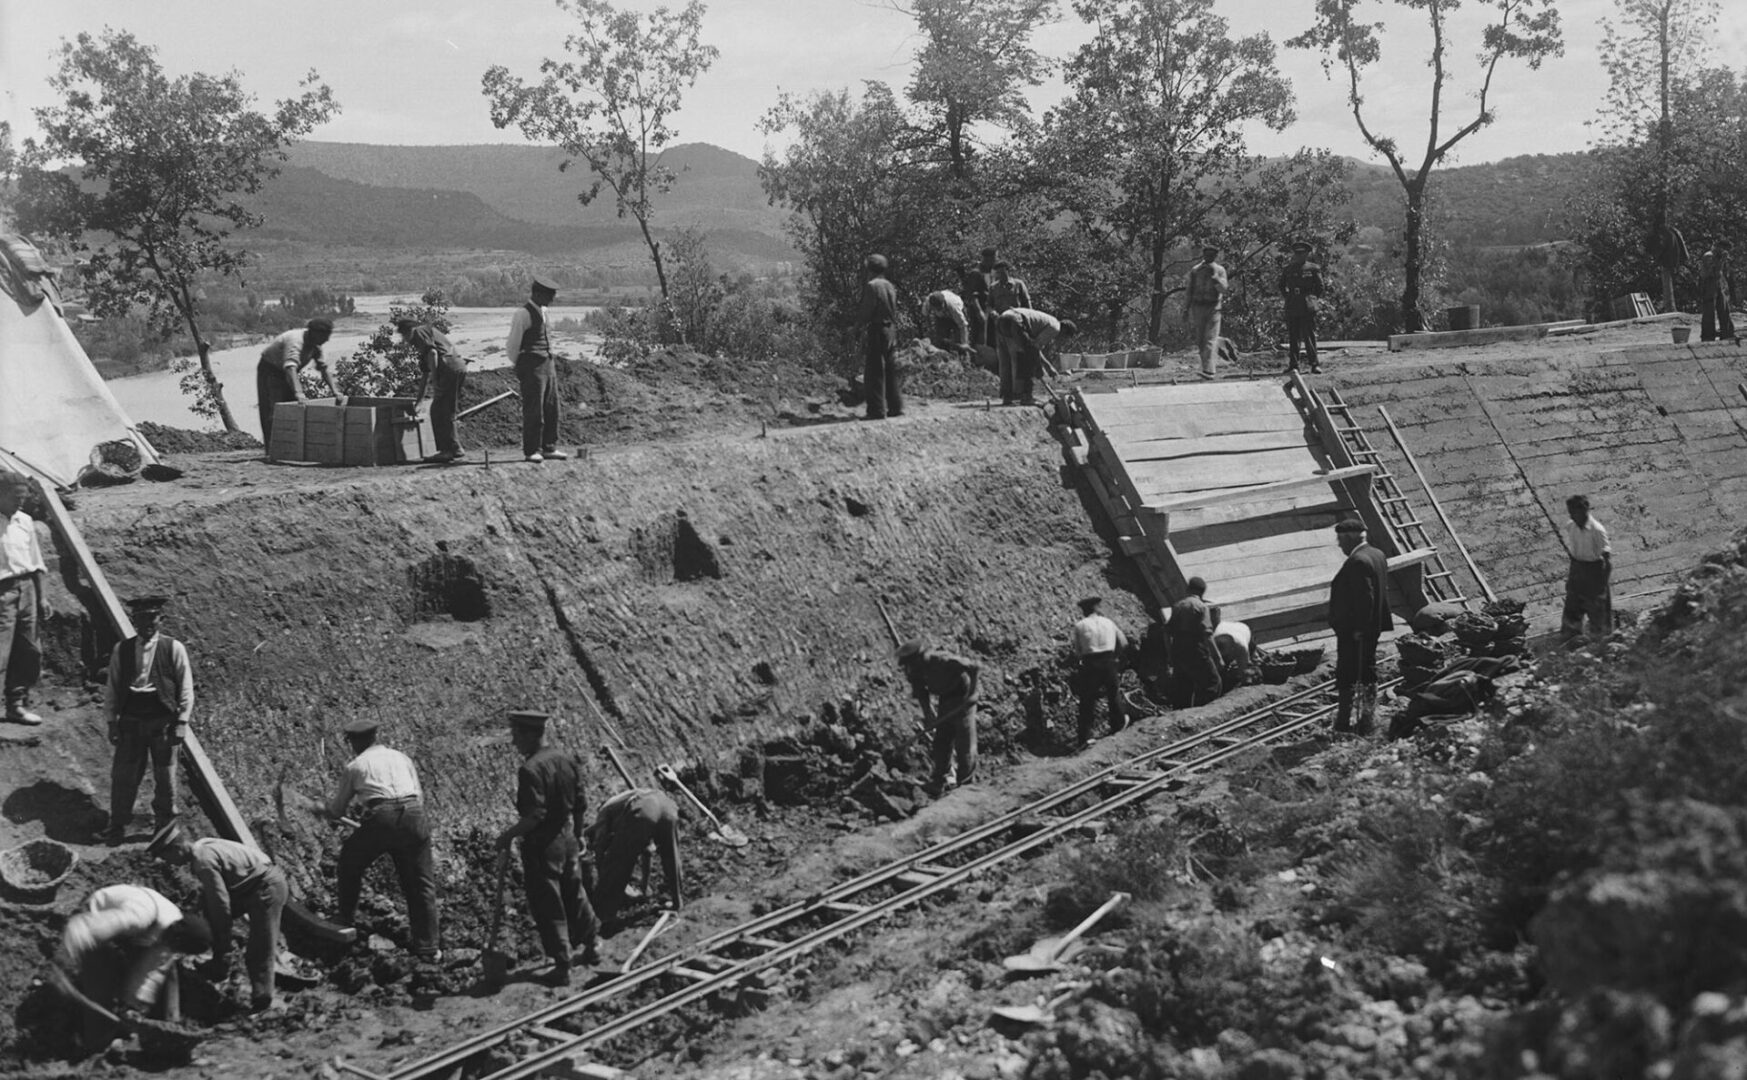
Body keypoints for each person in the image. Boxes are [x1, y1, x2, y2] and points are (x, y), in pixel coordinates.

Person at [495, 710, 600, 986]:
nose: (514, 742)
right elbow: (580, 803)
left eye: (517, 735)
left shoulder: (530, 770)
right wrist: (578, 835)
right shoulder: (565, 758)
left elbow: (535, 816)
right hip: (567, 839)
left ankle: (563, 965)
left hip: (544, 845)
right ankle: (593, 944)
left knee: (549, 903)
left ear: (531, 734)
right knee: (576, 894)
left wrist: (507, 836)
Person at [324, 718, 440, 960]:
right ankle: (428, 947)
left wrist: (328, 812)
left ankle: (345, 916)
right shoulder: (401, 758)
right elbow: (417, 795)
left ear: (353, 742)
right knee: (421, 885)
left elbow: (337, 811)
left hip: (383, 817)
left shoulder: (356, 766)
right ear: (375, 737)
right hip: (415, 815)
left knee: (349, 862)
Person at [147, 820, 288, 1013]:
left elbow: (220, 903)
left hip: (266, 888)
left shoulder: (203, 860)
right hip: (248, 886)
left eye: (167, 857)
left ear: (177, 849)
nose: (168, 863)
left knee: (260, 947)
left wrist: (224, 934)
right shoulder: (203, 846)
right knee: (207, 907)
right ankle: (219, 965)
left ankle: (262, 999)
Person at [53, 884, 211, 1053]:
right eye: (176, 947)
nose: (174, 950)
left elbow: (152, 972)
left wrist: (133, 1007)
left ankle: (166, 1021)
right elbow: (81, 929)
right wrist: (64, 965)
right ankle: (97, 1045)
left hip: (137, 934)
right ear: (175, 936)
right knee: (103, 984)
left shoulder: (172, 935)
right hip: (97, 918)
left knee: (169, 969)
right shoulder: (138, 916)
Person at [103, 596, 195, 845]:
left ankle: (165, 827)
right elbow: (112, 686)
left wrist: (182, 721)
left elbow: (185, 687)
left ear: (160, 620)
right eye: (141, 618)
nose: (146, 623)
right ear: (134, 620)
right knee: (124, 776)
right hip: (131, 721)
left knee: (165, 777)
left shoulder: (172, 648)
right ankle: (118, 824)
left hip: (162, 721)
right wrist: (112, 721)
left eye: (151, 618)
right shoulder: (122, 649)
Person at [1328, 517, 1392, 735]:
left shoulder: (1358, 561)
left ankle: (1346, 722)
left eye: (1340, 539)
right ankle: (1367, 718)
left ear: (1349, 538)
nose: (1339, 545)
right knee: (1367, 669)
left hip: (1356, 631)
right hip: (1370, 628)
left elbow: (1367, 598)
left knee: (1348, 673)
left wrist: (1359, 630)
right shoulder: (1377, 554)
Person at [586, 786, 683, 929]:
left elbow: (601, 853)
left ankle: (603, 916)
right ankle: (677, 902)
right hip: (667, 805)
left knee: (617, 862)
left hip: (644, 807)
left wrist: (604, 883)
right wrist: (644, 888)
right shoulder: (622, 804)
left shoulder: (603, 813)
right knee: (671, 855)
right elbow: (647, 852)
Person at [895, 638, 981, 796]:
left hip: (963, 697)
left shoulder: (942, 660)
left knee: (964, 741)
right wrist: (928, 714)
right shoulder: (915, 671)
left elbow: (974, 667)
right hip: (945, 699)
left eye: (911, 664)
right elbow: (921, 693)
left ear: (920, 659)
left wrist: (972, 694)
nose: (909, 668)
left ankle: (966, 784)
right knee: (941, 741)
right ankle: (940, 781)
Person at [505, 275, 571, 463]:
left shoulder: (544, 311)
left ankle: (549, 447)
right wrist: (523, 365)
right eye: (550, 295)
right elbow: (512, 346)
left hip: (547, 364)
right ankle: (532, 449)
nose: (552, 299)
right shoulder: (522, 314)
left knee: (552, 407)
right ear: (538, 294)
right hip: (531, 366)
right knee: (534, 409)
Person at [1, 472, 49, 726]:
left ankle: (16, 705)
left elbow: (36, 562)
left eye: (24, 497)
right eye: (15, 497)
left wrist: (42, 598)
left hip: (27, 589)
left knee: (29, 651)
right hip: (1, 592)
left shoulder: (25, 521)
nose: (21, 502)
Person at [394, 317, 469, 464]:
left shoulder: (419, 333)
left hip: (449, 368)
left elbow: (433, 354)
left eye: (403, 336)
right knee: (443, 408)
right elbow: (425, 374)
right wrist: (419, 401)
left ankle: (451, 450)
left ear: (408, 331)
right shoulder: (424, 337)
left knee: (441, 409)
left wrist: (435, 381)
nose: (404, 340)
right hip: (456, 367)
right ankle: (451, 448)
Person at [257, 319, 340, 448]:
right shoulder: (295, 340)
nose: (327, 340)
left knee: (293, 409)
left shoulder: (315, 345)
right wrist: (299, 393)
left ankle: (291, 448)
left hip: (288, 372)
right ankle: (272, 450)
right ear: (315, 333)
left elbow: (323, 368)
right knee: (273, 411)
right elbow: (290, 367)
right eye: (325, 336)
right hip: (270, 370)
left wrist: (335, 391)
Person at [1070, 597, 1129, 746]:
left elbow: (1077, 652)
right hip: (1108, 660)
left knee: (1087, 700)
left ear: (1084, 610)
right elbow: (1123, 642)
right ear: (1097, 608)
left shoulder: (1080, 625)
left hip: (1090, 663)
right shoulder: (1109, 622)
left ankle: (1085, 736)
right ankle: (1117, 725)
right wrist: (1115, 657)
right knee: (1113, 694)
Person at [994, 307, 1077, 407]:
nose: (1062, 340)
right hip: (1016, 320)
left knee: (1006, 361)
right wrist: (1042, 369)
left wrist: (1047, 366)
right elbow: (1034, 349)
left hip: (1002, 318)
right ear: (1064, 331)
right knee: (1028, 359)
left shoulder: (1048, 321)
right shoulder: (1055, 327)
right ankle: (1026, 396)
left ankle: (1007, 397)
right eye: (1065, 338)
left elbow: (1034, 348)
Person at [1561, 494, 1612, 642]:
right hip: (1577, 569)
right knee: (1571, 610)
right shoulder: (1571, 526)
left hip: (1594, 572)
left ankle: (1602, 643)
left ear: (1585, 510)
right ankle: (1570, 642)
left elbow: (1607, 561)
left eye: (1575, 512)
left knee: (1598, 614)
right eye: (1570, 512)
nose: (1572, 516)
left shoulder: (1597, 530)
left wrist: (1601, 587)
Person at [1167, 577, 1224, 708]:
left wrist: (1170, 655)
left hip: (1178, 649)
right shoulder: (1202, 607)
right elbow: (1208, 634)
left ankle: (1183, 716)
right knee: (1213, 683)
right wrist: (1218, 657)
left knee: (1184, 687)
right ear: (1202, 592)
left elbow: (1167, 631)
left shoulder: (1178, 605)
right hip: (1195, 649)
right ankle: (1206, 714)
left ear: (1187, 589)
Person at [858, 254, 903, 420]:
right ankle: (895, 407)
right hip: (891, 329)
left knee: (874, 371)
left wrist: (857, 327)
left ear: (869, 268)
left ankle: (876, 410)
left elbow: (867, 310)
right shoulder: (889, 285)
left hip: (877, 329)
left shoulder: (872, 286)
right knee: (891, 370)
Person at [1183, 245, 1229, 379]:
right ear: (1203, 255)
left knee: (1210, 338)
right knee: (1200, 339)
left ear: (1215, 256)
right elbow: (1189, 291)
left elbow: (1224, 290)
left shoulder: (1220, 270)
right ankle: (1205, 367)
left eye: (1212, 255)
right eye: (1207, 254)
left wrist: (1216, 278)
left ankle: (1210, 370)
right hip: (1198, 307)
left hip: (1214, 307)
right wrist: (1186, 309)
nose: (1209, 257)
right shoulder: (1195, 270)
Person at [1279, 240, 1323, 373]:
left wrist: (1312, 298)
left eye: (1302, 253)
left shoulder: (1313, 268)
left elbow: (1320, 287)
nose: (1299, 256)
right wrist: (1289, 296)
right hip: (1293, 304)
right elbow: (1281, 286)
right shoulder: (1288, 269)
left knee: (1309, 335)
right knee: (1293, 336)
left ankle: (1314, 364)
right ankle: (1293, 365)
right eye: (1297, 253)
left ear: (1307, 254)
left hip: (1307, 305)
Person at [1699, 239, 1736, 342]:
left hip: (1719, 284)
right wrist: (1721, 261)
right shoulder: (1709, 256)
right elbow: (1713, 273)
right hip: (1709, 284)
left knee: (1724, 310)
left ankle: (1727, 333)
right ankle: (1708, 336)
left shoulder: (1719, 257)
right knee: (1709, 312)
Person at [922, 289, 971, 356]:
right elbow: (926, 316)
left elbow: (963, 325)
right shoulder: (928, 303)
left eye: (940, 308)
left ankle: (965, 360)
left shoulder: (953, 306)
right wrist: (930, 330)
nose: (939, 310)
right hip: (942, 318)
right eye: (937, 309)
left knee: (960, 344)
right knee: (940, 340)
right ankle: (944, 359)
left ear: (943, 303)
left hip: (956, 316)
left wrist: (964, 343)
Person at [959, 262, 991, 349]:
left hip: (986, 306)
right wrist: (979, 311)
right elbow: (974, 296)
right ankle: (978, 357)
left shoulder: (992, 273)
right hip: (979, 307)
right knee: (979, 333)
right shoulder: (976, 274)